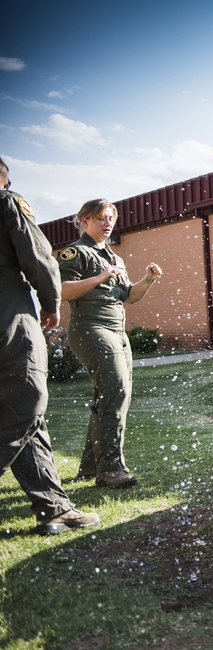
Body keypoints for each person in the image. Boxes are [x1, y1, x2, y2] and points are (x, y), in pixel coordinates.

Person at [0, 157, 100, 534]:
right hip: (8, 320)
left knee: (27, 416)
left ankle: (54, 507)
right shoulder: (7, 202)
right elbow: (39, 257)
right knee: (26, 405)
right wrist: (49, 301)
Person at [58, 198, 162, 489]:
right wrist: (100, 276)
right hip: (90, 327)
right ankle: (110, 468)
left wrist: (148, 280)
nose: (107, 224)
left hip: (118, 331)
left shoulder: (115, 258)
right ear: (85, 221)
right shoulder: (74, 252)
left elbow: (129, 296)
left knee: (115, 395)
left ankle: (91, 467)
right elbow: (63, 291)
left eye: (111, 219)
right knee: (115, 391)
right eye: (101, 218)